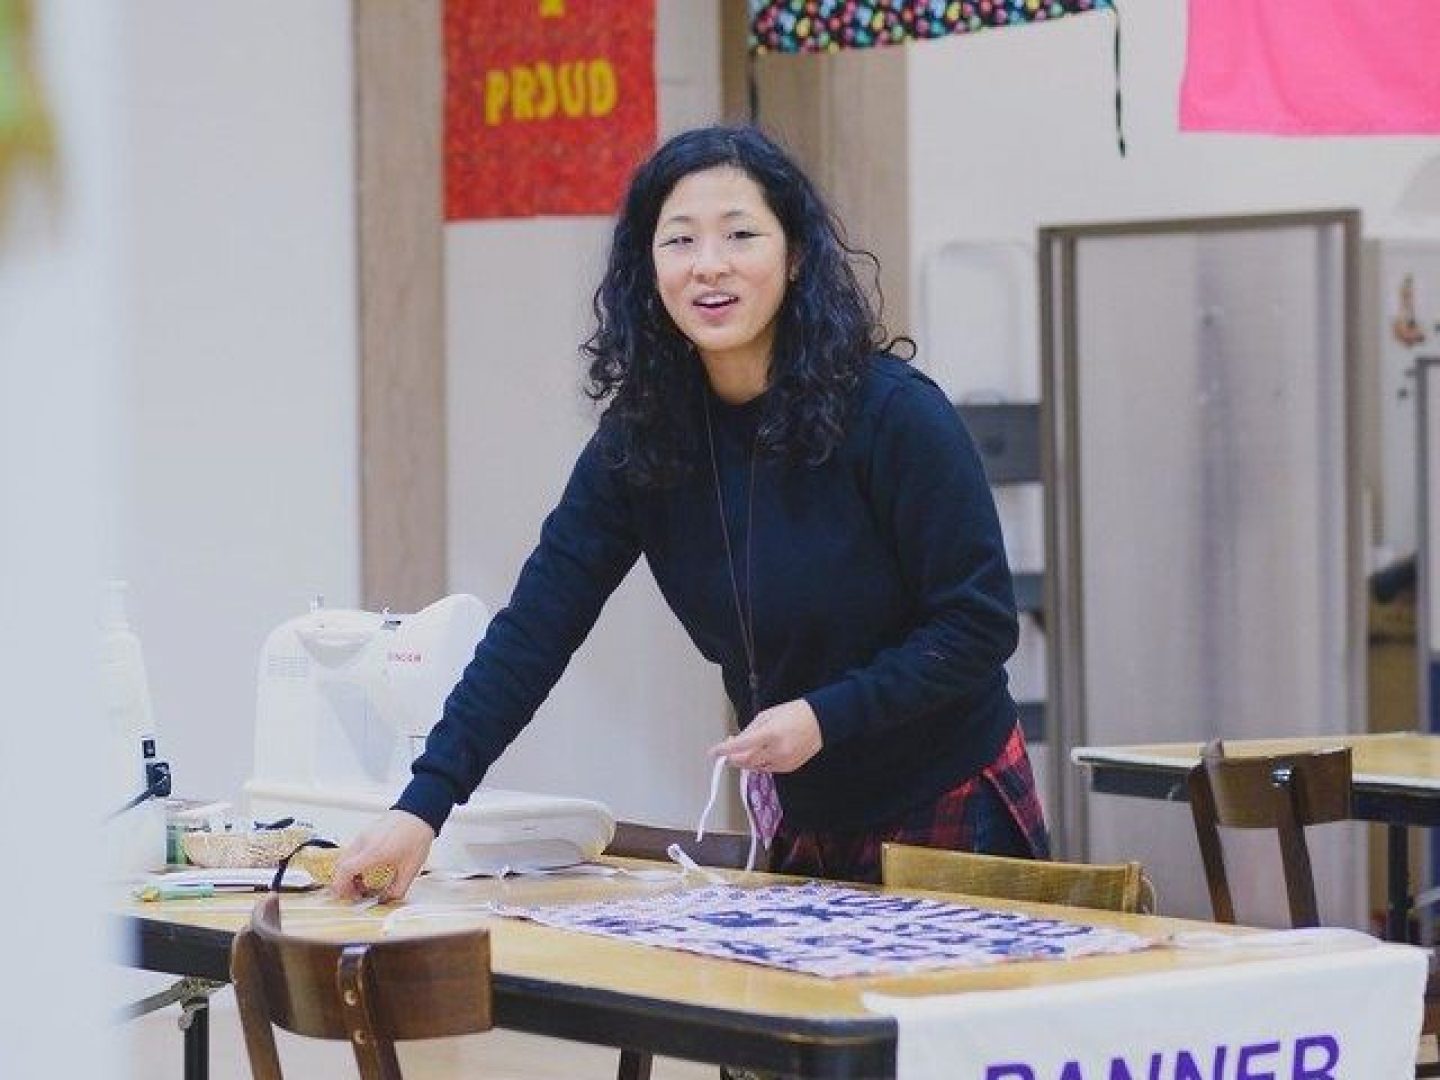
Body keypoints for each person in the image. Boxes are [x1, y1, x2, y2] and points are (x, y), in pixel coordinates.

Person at [331, 124, 1049, 901]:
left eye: (741, 234)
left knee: (929, 1021)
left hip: (948, 796)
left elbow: (977, 626)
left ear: (795, 255)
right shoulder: (643, 441)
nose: (710, 264)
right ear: (648, 266)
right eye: (679, 240)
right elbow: (535, 629)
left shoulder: (893, 413)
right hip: (802, 806)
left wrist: (823, 716)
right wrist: (422, 807)